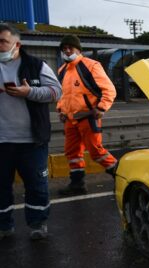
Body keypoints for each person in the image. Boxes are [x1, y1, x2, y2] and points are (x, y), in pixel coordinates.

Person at [0, 23, 62, 240]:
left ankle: (38, 224)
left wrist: (29, 92)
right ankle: (4, 226)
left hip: (31, 141)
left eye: (2, 42)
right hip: (2, 141)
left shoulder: (36, 65)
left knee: (36, 185)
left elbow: (56, 92)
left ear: (16, 44)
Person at [56, 35, 118, 196]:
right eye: (64, 48)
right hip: (70, 119)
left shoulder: (90, 65)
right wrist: (61, 110)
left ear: (78, 49)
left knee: (96, 151)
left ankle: (120, 177)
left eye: (71, 47)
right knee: (72, 152)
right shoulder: (62, 70)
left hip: (88, 117)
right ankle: (77, 185)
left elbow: (109, 89)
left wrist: (102, 107)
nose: (67, 51)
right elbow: (63, 95)